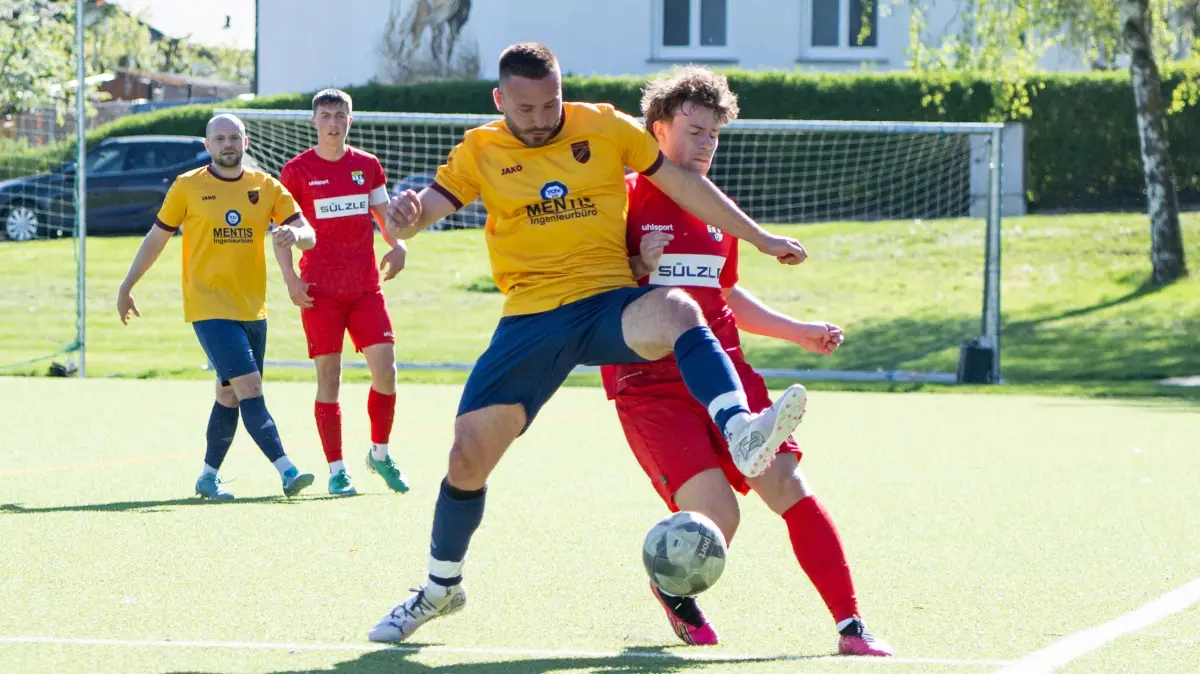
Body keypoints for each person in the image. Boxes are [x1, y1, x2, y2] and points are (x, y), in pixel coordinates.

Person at [367, 42, 812, 643]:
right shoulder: (480, 149)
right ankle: (441, 588)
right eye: (524, 108)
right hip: (530, 319)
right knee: (467, 458)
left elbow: (682, 183)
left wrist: (758, 239)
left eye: (551, 102)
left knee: (679, 308)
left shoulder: (604, 126)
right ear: (500, 100)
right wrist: (405, 215)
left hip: (607, 305)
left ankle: (740, 429)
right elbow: (426, 211)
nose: (540, 117)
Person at [600, 66, 893, 656]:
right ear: (657, 129)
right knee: (718, 520)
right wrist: (634, 262)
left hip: (729, 376)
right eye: (694, 130)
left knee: (790, 485)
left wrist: (798, 332)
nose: (705, 144)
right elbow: (589, 295)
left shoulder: (718, 210)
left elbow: (726, 295)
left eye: (714, 134)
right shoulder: (621, 199)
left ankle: (851, 627)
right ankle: (673, 589)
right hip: (652, 386)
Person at [116, 113, 318, 500]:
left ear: (246, 142)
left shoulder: (267, 186)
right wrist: (127, 285)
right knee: (251, 387)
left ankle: (207, 477)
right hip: (208, 306)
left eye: (234, 137)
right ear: (207, 145)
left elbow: (308, 234)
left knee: (229, 395)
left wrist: (296, 232)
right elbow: (156, 238)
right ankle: (287, 470)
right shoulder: (187, 187)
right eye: (219, 138)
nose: (227, 144)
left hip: (252, 308)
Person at [277, 88, 410, 497]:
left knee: (386, 373)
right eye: (326, 115)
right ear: (314, 121)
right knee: (329, 381)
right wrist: (291, 280)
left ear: (350, 120)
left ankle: (380, 454)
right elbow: (283, 234)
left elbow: (384, 215)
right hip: (320, 292)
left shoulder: (367, 166)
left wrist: (399, 245)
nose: (333, 123)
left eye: (341, 115)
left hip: (366, 288)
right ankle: (337, 469)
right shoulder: (296, 171)